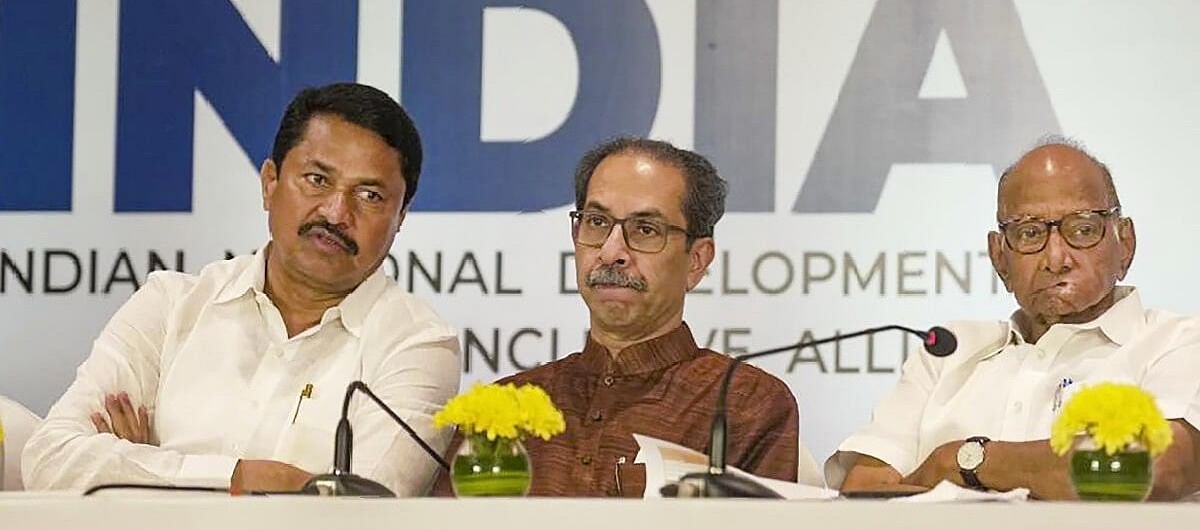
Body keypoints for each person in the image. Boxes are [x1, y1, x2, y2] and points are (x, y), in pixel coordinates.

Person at [23, 83, 460, 495]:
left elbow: (366, 512)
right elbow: (50, 458)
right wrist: (240, 477)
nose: (335, 212)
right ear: (270, 182)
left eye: (369, 195)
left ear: (400, 217)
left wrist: (144, 472)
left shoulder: (417, 346)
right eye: (317, 179)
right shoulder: (172, 305)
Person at [829, 139, 1200, 499]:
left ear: (1126, 243)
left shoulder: (1177, 343)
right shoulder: (947, 353)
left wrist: (963, 461)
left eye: (1083, 229)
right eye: (1029, 233)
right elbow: (865, 488)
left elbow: (1155, 470)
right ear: (999, 258)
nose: (1056, 258)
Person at [434, 137, 799, 497]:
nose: (611, 252)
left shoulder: (744, 404)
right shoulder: (503, 411)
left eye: (645, 229)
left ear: (697, 261)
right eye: (596, 222)